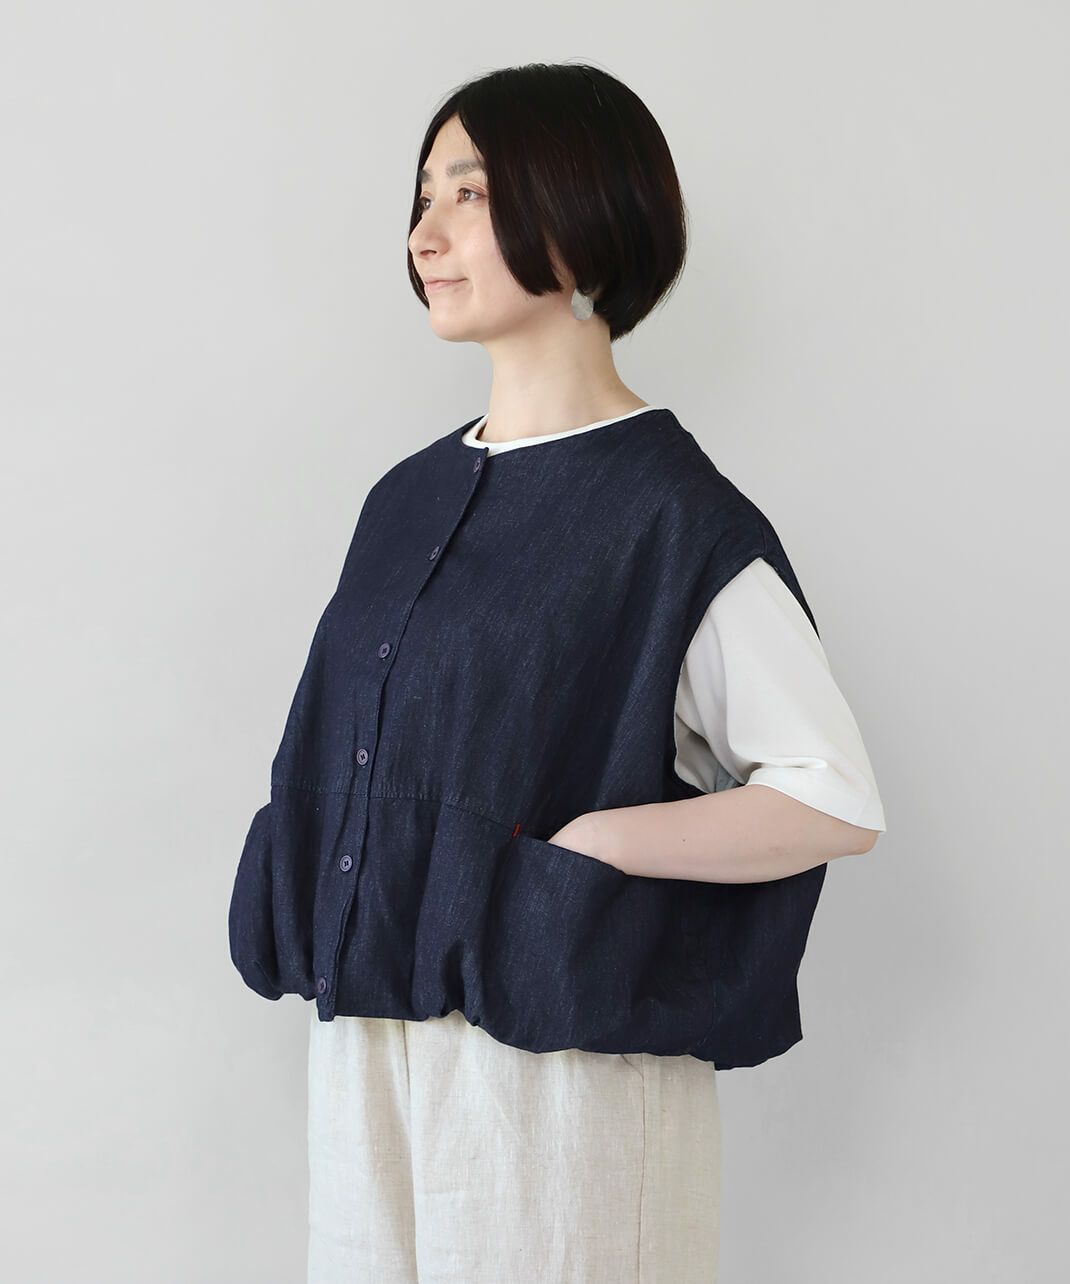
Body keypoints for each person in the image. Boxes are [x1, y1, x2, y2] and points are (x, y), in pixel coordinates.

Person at [229, 62, 886, 1284]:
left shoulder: (671, 515)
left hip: (559, 1097)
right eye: (422, 196)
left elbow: (830, 798)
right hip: (365, 1060)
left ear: (579, 212)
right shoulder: (404, 497)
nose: (424, 235)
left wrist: (596, 845)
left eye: (469, 194)